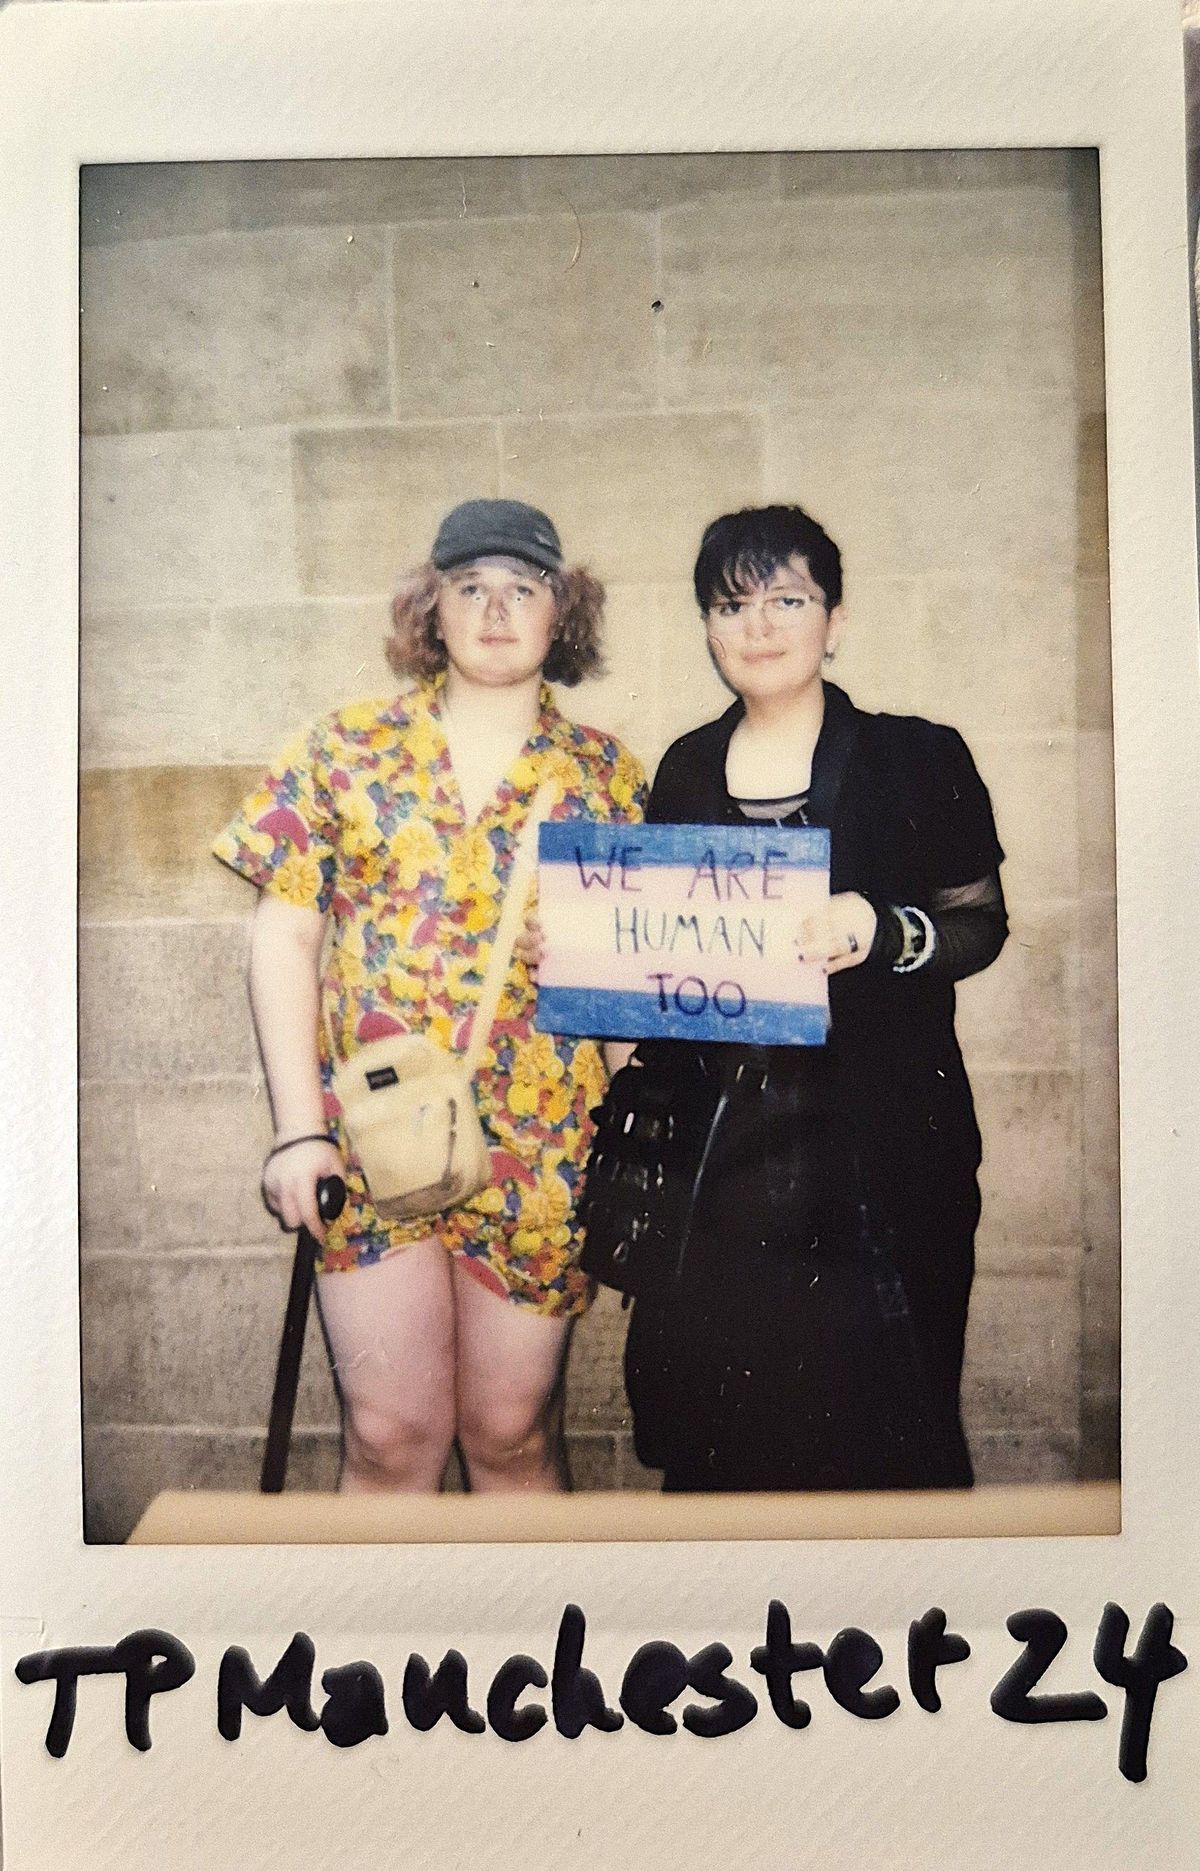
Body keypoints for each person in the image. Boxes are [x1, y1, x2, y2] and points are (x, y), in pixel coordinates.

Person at [213, 499, 646, 1495]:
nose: (496, 610)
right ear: (431, 608)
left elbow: (638, 974)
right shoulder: (344, 748)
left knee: (511, 1433)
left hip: (542, 1145)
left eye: (523, 588)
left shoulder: (606, 775)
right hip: (372, 1138)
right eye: (470, 586)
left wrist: (634, 1138)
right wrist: (297, 1131)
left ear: (561, 613)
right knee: (389, 1435)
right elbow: (284, 937)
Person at [616, 504, 1007, 1494]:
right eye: (731, 605)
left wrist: (884, 929)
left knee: (892, 1434)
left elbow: (980, 923)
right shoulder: (685, 768)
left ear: (834, 621)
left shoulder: (920, 755)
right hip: (724, 1162)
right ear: (708, 629)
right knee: (729, 1442)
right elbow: (662, 965)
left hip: (888, 1147)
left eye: (787, 600)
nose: (758, 625)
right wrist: (593, 952)